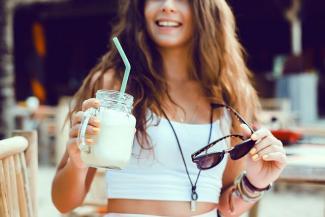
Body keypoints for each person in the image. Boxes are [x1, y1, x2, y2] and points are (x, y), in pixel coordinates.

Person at [51, 0, 287, 216]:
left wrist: (254, 183)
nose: (168, 6)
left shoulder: (230, 94)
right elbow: (64, 203)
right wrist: (78, 162)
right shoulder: (114, 86)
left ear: (206, 10)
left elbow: (226, 208)